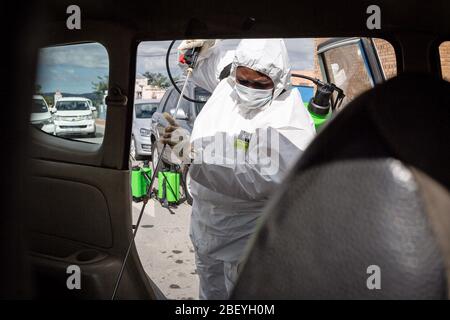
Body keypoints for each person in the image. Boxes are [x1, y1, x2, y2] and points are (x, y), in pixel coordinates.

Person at [161, 39, 316, 299]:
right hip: (206, 228)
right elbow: (197, 65)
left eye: (260, 84)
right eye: (244, 80)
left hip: (246, 241)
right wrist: (204, 45)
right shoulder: (228, 85)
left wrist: (192, 157)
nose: (249, 88)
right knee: (210, 296)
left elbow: (260, 177)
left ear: (277, 81)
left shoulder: (289, 116)